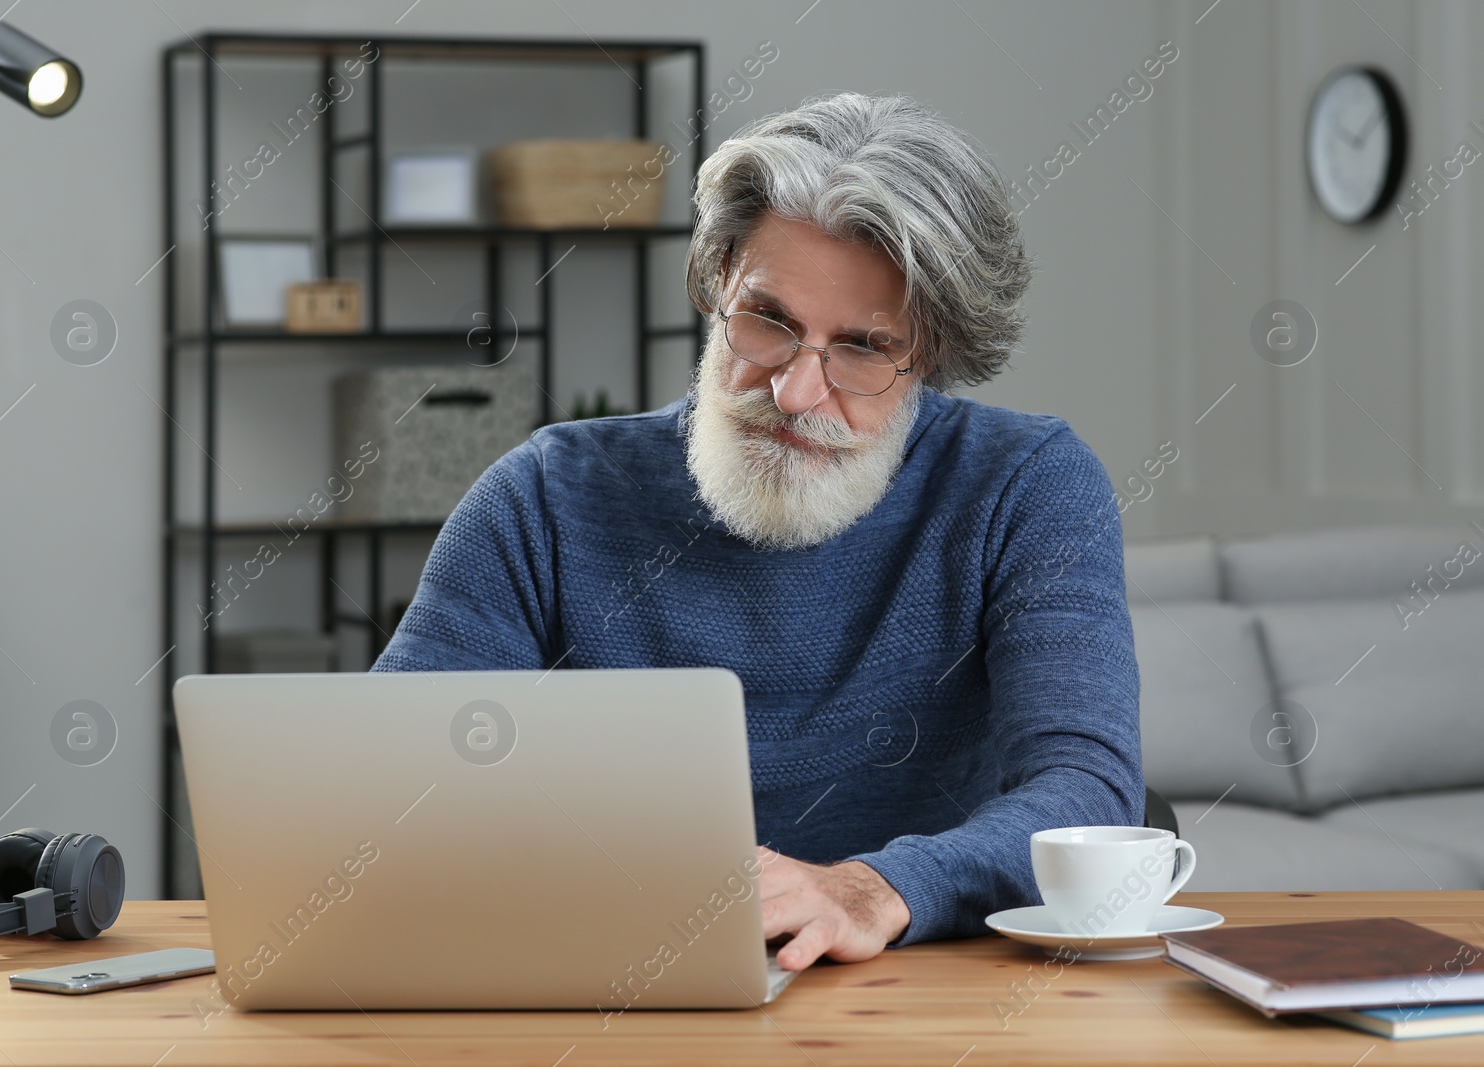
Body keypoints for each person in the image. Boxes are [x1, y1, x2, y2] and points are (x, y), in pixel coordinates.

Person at [373, 92, 1142, 971]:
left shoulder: (1025, 485)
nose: (794, 393)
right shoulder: (545, 495)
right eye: (768, 321)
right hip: (611, 980)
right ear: (715, 280)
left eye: (860, 348)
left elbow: (1087, 797)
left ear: (929, 352)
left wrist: (874, 888)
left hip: (918, 985)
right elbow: (392, 790)